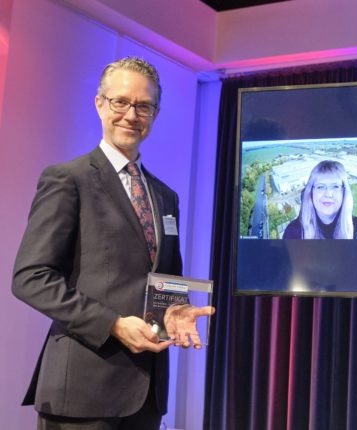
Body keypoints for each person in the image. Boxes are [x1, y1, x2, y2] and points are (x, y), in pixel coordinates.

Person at [12, 57, 213, 429]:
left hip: (147, 394)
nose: (131, 115)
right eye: (121, 102)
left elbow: (165, 275)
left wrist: (176, 308)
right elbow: (30, 278)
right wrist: (113, 324)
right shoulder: (68, 179)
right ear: (100, 103)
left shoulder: (165, 196)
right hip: (83, 390)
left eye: (143, 106)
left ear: (155, 113)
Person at [282, 160, 357, 239]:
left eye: (335, 186)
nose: (328, 194)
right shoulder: (292, 232)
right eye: (320, 187)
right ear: (311, 192)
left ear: (344, 192)